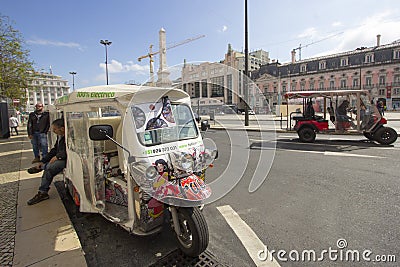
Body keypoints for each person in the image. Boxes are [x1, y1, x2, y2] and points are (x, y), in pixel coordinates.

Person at [27, 119, 66, 205]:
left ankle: (42, 191)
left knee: (49, 167)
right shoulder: (60, 137)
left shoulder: (69, 136)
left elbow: (69, 150)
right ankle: (42, 191)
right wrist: (43, 160)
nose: (54, 131)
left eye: (55, 129)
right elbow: (54, 150)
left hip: (66, 159)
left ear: (62, 128)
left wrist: (58, 157)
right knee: (48, 168)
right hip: (61, 158)